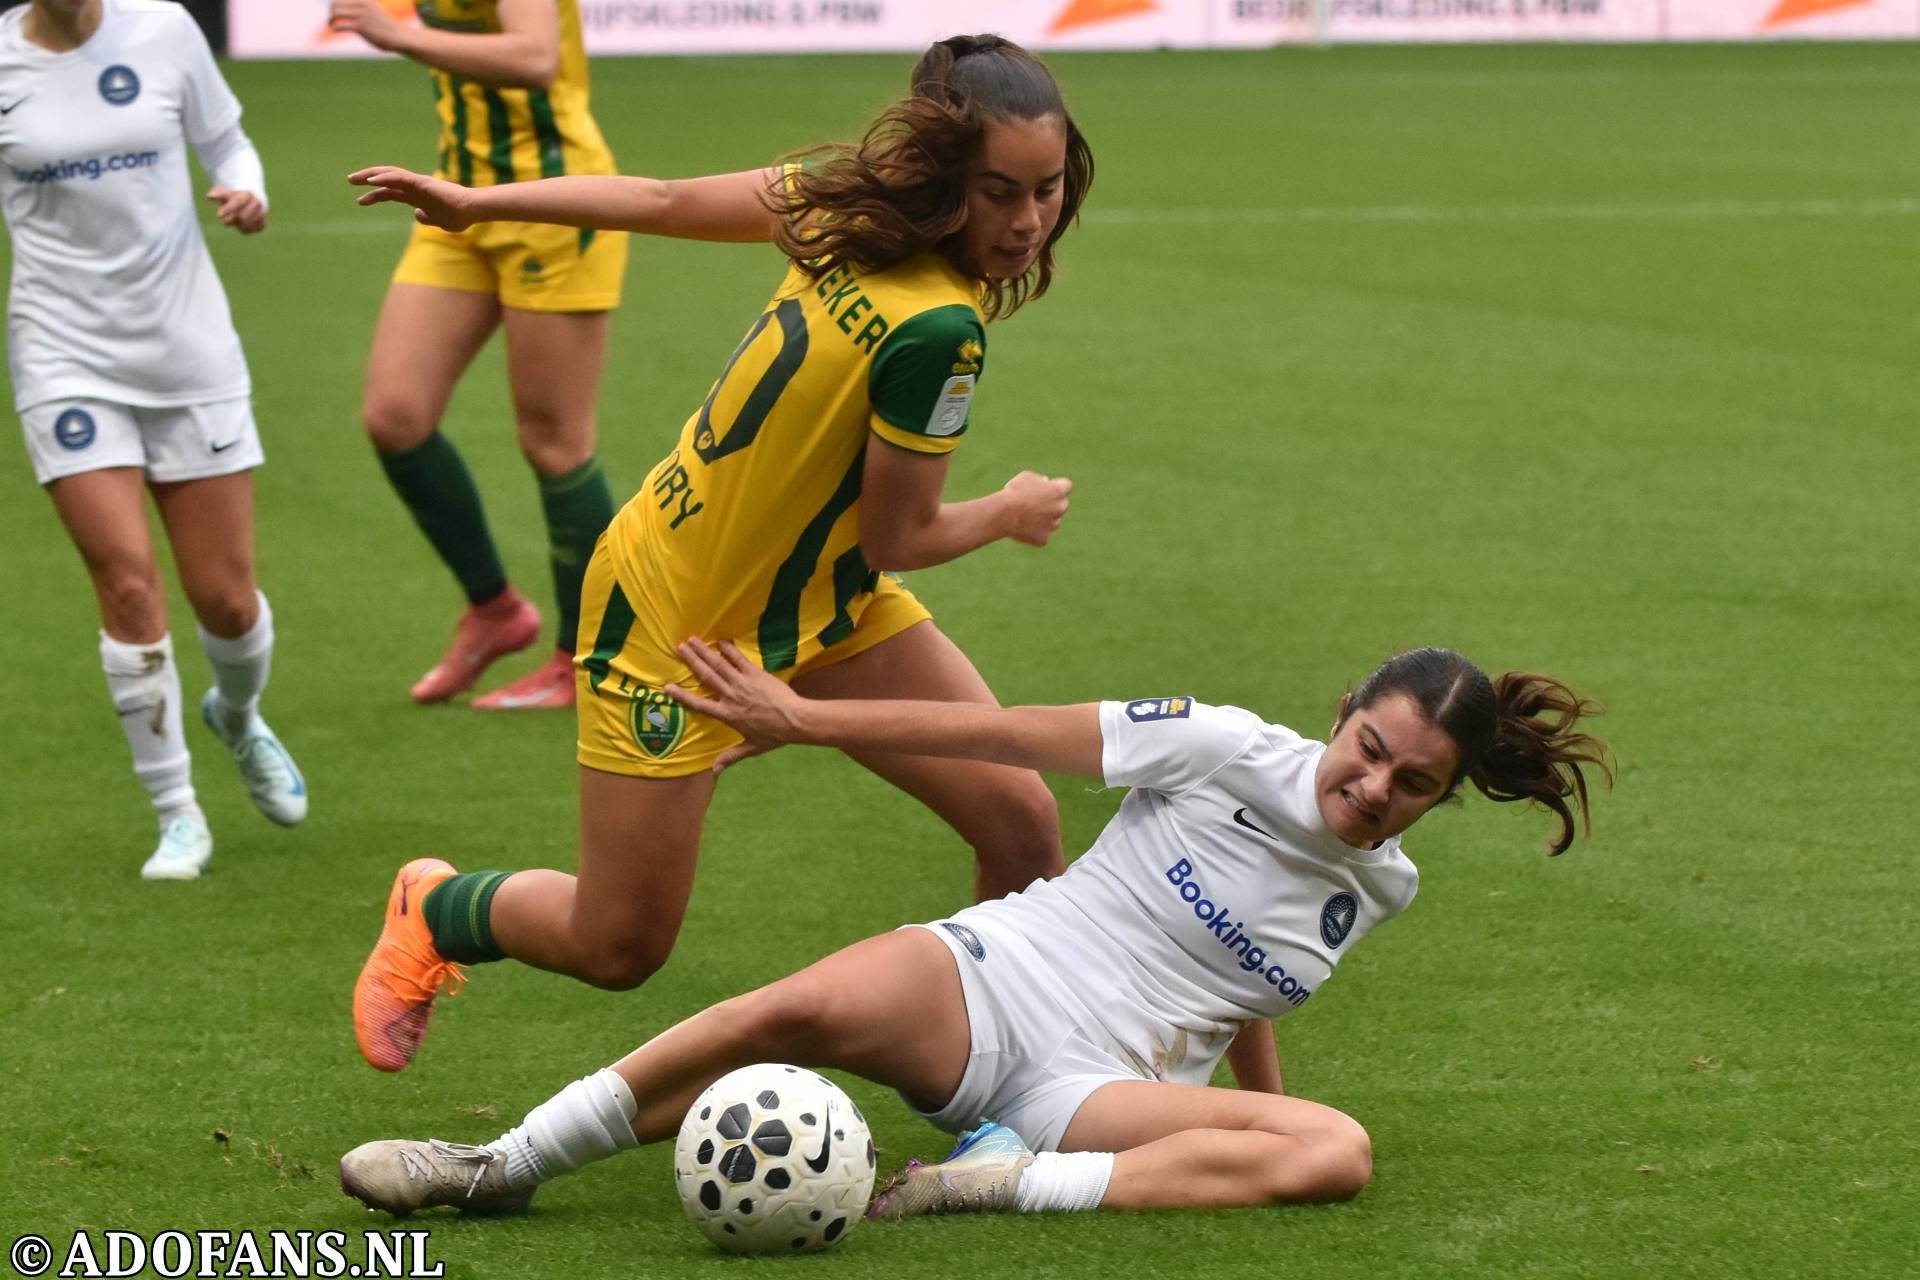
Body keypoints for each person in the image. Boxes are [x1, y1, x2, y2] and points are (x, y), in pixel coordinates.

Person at [342, 35, 1093, 1073]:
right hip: (675, 615)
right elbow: (902, 533)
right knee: (618, 944)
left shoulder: (837, 201)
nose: (1025, 221)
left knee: (1019, 822)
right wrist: (1008, 509)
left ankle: (1003, 1081)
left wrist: (485, 203)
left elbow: (652, 201)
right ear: (938, 175)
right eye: (998, 191)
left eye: (1047, 189)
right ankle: (437, 905)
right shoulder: (936, 329)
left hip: (827, 600)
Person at [339, 640, 1612, 1219]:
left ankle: (992, 1183)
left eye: (1411, 783)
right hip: (1008, 970)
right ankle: (496, 1166)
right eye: (1370, 747)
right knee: (788, 1011)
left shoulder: (1384, 887)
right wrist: (807, 718)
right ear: (1343, 713)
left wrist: (1247, 1104)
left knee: (1333, 1150)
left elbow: (1251, 1002)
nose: (1373, 786)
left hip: (1102, 1091)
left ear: (1442, 799)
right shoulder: (1220, 744)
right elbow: (1009, 734)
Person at [1, 0, 306, 880]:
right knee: (126, 582)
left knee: (227, 600)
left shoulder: (164, 28)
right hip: (61, 355)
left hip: (187, 352)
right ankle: (177, 813)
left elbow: (229, 142)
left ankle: (239, 718)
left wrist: (248, 190)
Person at [326, 0, 629, 710]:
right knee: (395, 416)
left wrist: (398, 35)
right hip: (453, 201)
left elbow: (533, 58)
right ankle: (494, 611)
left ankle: (586, 658)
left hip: (552, 200)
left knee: (555, 444)